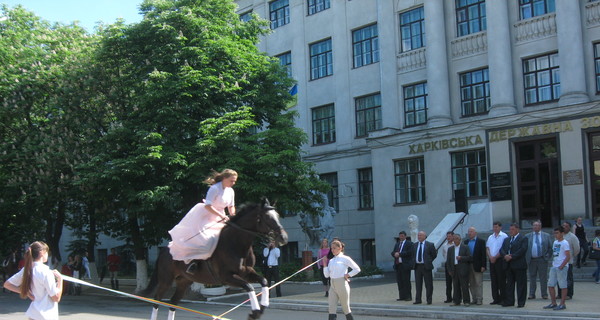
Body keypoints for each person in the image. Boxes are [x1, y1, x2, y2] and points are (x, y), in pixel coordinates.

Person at [168, 169, 237, 274]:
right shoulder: (214, 188)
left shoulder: (230, 191)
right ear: (224, 178)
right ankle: (193, 262)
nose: (233, 183)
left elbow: (231, 206)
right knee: (206, 240)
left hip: (221, 216)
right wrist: (221, 215)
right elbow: (208, 205)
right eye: (231, 181)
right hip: (206, 216)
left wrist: (233, 216)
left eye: (234, 181)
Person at [3, 241, 63, 320]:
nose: (48, 254)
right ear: (42, 253)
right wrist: (60, 280)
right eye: (47, 252)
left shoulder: (27, 269)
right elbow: (56, 297)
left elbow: (7, 284)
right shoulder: (46, 272)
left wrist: (26, 292)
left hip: (34, 314)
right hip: (46, 315)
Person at [324, 240, 360, 320]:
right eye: (331, 248)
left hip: (342, 285)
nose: (332, 250)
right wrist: (325, 265)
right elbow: (327, 275)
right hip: (332, 285)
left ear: (340, 248)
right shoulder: (331, 261)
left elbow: (357, 269)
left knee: (346, 308)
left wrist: (348, 275)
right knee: (331, 308)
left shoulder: (345, 258)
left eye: (334, 248)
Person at [500, 223, 528, 308]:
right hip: (508, 265)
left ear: (517, 229)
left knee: (521, 284)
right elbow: (502, 249)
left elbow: (522, 250)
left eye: (512, 229)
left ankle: (521, 302)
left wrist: (512, 256)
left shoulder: (523, 238)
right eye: (510, 229)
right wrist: (505, 255)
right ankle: (509, 301)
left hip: (519, 265)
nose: (511, 231)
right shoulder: (507, 239)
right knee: (509, 284)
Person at [543, 226, 571, 311]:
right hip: (554, 265)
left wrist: (562, 266)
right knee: (550, 284)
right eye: (554, 233)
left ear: (562, 233)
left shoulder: (565, 243)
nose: (555, 235)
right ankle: (553, 302)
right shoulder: (555, 242)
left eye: (557, 233)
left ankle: (562, 304)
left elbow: (568, 256)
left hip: (561, 266)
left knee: (562, 285)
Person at [525, 220, 552, 300]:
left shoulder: (546, 236)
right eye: (534, 225)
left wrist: (547, 256)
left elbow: (550, 248)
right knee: (532, 277)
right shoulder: (527, 236)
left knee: (543, 277)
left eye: (537, 225)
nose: (536, 227)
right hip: (532, 260)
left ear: (540, 226)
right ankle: (532, 294)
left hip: (542, 259)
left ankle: (544, 294)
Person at [412, 230, 437, 305]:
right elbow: (413, 254)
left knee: (428, 284)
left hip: (426, 266)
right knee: (418, 284)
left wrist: (428, 261)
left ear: (424, 236)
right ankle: (418, 299)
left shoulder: (430, 245)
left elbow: (434, 255)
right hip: (417, 267)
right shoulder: (414, 245)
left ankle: (429, 300)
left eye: (420, 235)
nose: (419, 237)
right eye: (418, 235)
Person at [486, 221, 508, 305]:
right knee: (494, 280)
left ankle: (503, 298)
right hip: (491, 260)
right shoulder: (490, 237)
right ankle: (496, 298)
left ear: (500, 227)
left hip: (500, 260)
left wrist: (495, 257)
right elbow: (487, 248)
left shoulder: (504, 236)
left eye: (497, 227)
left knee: (501, 280)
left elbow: (504, 249)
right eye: (494, 227)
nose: (495, 228)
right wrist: (490, 257)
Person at [447, 233, 471, 306]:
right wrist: (449, 270)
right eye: (453, 239)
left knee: (464, 286)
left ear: (459, 239)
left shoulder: (465, 247)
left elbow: (469, 257)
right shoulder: (450, 249)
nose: (454, 240)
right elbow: (448, 260)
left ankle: (466, 301)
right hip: (454, 269)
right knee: (456, 285)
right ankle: (456, 301)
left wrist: (461, 258)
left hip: (463, 268)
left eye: (456, 239)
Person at [464, 227, 486, 305]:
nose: (470, 233)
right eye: (469, 232)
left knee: (478, 283)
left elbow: (483, 254)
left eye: (471, 231)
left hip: (478, 265)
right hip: (468, 265)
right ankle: (474, 298)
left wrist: (483, 265)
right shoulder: (466, 242)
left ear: (475, 233)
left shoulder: (481, 241)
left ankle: (479, 299)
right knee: (471, 283)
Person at [558, 221, 580, 300]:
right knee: (560, 278)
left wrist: (572, 256)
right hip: (559, 261)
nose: (564, 227)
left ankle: (569, 294)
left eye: (566, 226)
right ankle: (560, 294)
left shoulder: (572, 237)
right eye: (563, 226)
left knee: (568, 278)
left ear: (569, 228)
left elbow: (577, 248)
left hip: (568, 261)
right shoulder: (559, 235)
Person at [390, 231, 412, 302]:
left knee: (406, 281)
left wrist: (400, 254)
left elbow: (410, 253)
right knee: (400, 281)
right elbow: (393, 252)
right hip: (398, 265)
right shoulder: (397, 244)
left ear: (405, 236)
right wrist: (395, 254)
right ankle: (401, 296)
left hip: (405, 265)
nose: (401, 237)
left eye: (402, 236)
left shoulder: (409, 243)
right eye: (400, 236)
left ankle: (408, 296)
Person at [441, 231, 454, 303]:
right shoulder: (444, 245)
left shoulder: (455, 244)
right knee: (448, 282)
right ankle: (449, 298)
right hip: (447, 264)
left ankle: (456, 297)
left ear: (453, 236)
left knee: (456, 282)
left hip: (455, 264)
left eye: (450, 236)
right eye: (447, 236)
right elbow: (444, 254)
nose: (448, 238)